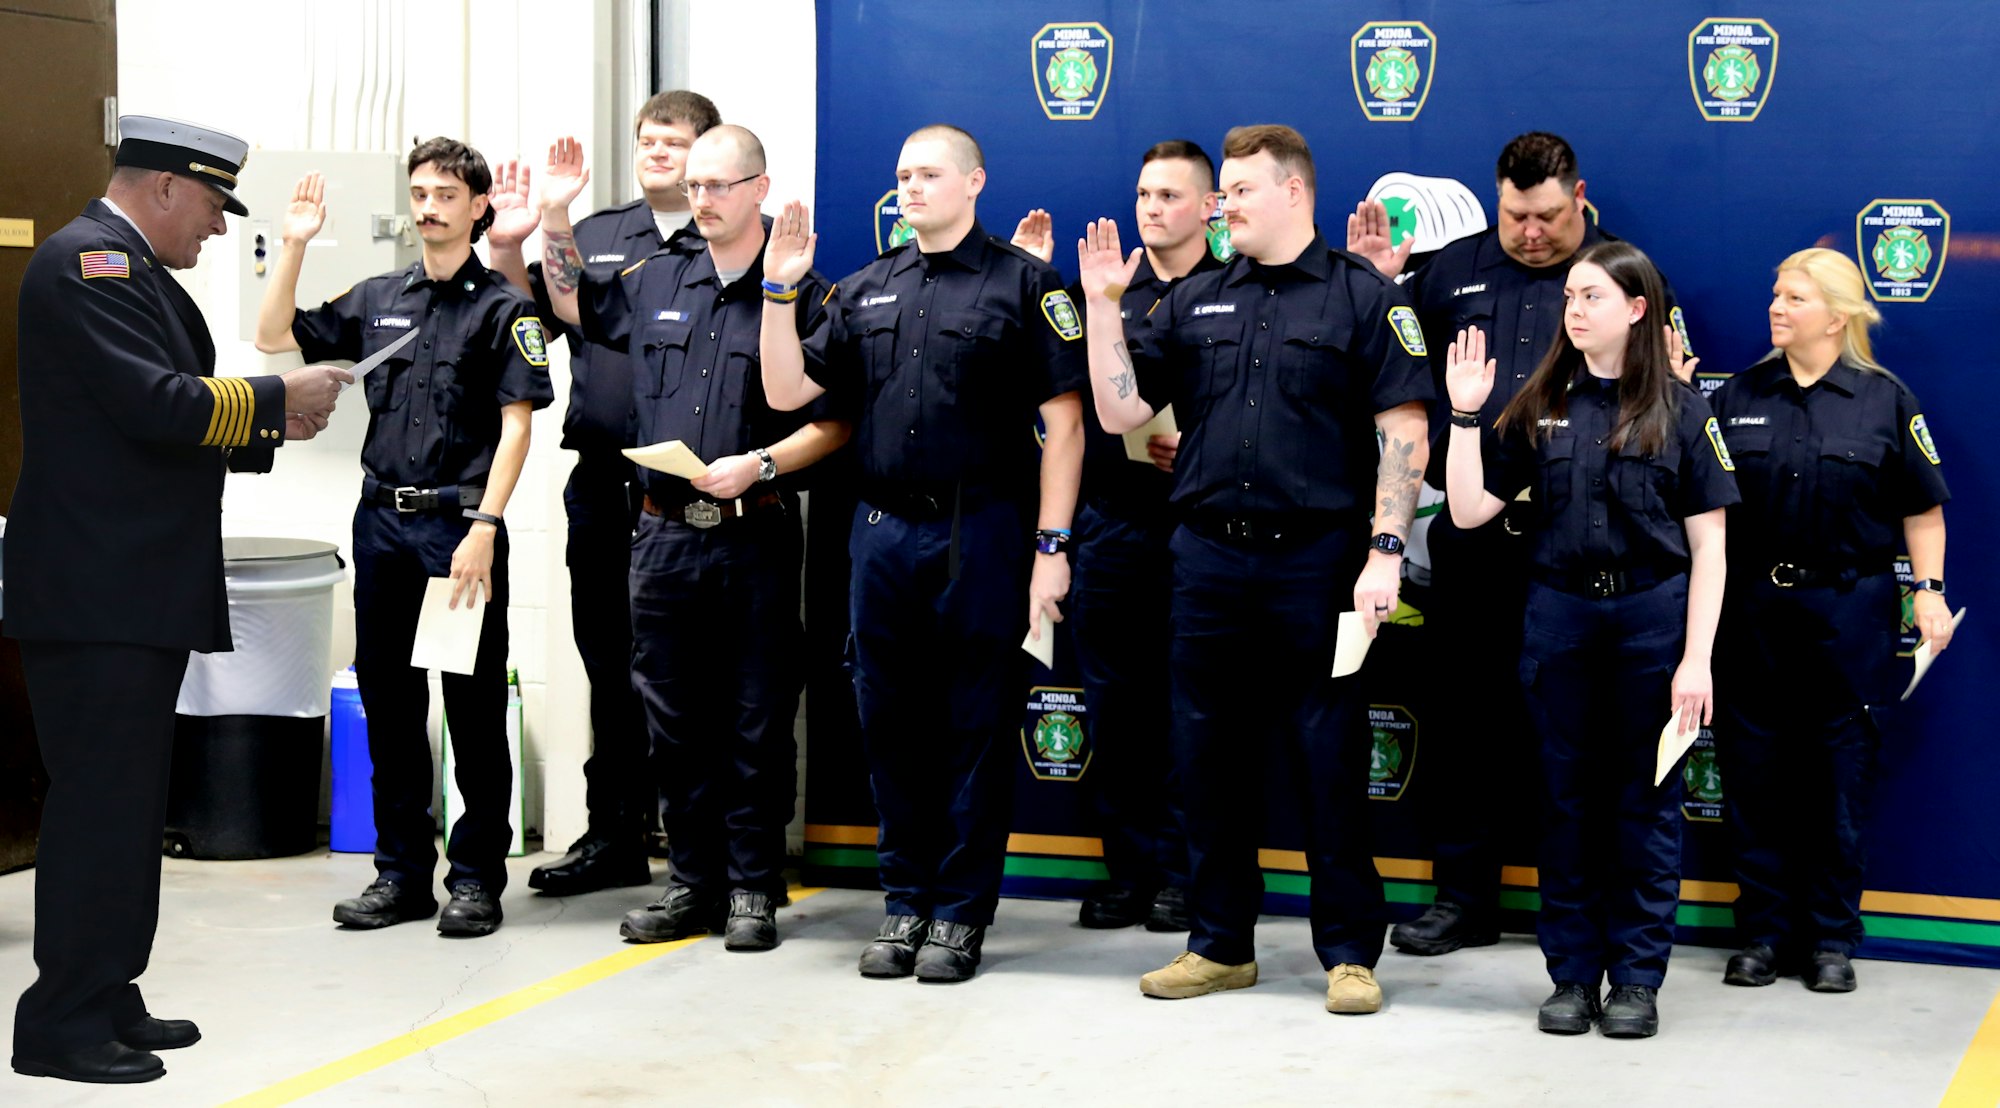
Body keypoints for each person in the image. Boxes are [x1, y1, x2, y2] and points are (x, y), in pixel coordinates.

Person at [7, 115, 348, 1084]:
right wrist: (280, 399)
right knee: (98, 808)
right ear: (162, 187)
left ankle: (108, 989)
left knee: (123, 805)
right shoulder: (88, 265)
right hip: (96, 591)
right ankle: (60, 1022)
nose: (212, 227)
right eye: (208, 205)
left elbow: (177, 406)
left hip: (128, 587)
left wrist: (270, 415)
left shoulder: (133, 268)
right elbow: (158, 405)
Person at [1084, 124, 1432, 1016]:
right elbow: (1120, 405)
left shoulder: (1362, 297)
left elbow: (1404, 428)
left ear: (1293, 193)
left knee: (1328, 755)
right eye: (1222, 191)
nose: (1221, 204)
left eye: (1237, 190)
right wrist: (1099, 305)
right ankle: (1220, 944)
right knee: (1205, 755)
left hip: (1317, 562)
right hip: (1204, 556)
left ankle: (1350, 953)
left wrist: (1385, 549)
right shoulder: (1194, 296)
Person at [1349, 132, 1690, 958]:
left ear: (1580, 198)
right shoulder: (1452, 269)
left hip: (1584, 547)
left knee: (1582, 745)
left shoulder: (1624, 277)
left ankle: (1585, 915)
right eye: (1514, 216)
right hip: (1472, 539)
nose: (1530, 233)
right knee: (1465, 724)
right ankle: (1463, 898)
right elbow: (1392, 381)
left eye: (1546, 216)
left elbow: (1668, 396)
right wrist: (1377, 286)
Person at [760, 123, 1086, 982]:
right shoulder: (865, 288)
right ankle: (904, 905)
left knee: (976, 728)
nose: (911, 187)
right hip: (879, 533)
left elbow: (1064, 428)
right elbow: (788, 391)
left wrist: (1052, 547)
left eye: (929, 173)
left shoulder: (1026, 284)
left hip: (982, 531)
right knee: (888, 725)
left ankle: (959, 915)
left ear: (975, 182)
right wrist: (777, 293)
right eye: (902, 174)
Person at [534, 126, 849, 950]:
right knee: (670, 718)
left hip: (755, 533)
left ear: (759, 189)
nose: (701, 200)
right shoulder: (655, 277)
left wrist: (762, 467)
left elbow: (833, 423)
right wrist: (556, 219)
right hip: (662, 537)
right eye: (695, 186)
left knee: (755, 716)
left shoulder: (804, 293)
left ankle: (751, 888)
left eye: (719, 185)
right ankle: (693, 883)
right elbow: (574, 306)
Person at [255, 138, 554, 939]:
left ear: (477, 207)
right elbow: (272, 333)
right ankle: (401, 876)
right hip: (382, 523)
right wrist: (294, 241)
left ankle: (476, 879)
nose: (429, 206)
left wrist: (486, 526)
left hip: (458, 528)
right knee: (390, 704)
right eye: (419, 192)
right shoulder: (379, 295)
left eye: (447, 194)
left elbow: (517, 427)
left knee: (472, 705)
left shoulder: (504, 309)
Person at [1442, 240, 1737, 1038]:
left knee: (1647, 810)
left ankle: (1636, 981)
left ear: (1637, 310)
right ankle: (1572, 977)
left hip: (1651, 624)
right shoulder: (1540, 400)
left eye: (1592, 296)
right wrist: (1465, 414)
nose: (1573, 309)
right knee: (1566, 808)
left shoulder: (1683, 409)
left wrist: (1696, 659)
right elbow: (1469, 511)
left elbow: (1709, 545)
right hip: (1560, 621)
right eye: (1569, 296)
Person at [486, 89, 723, 897]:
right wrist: (518, 241)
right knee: (607, 663)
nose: (658, 152)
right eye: (647, 140)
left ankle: (708, 847)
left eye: (676, 141)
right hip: (601, 480)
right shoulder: (594, 235)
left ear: (709, 153)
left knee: (696, 671)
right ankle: (616, 835)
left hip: (691, 489)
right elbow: (536, 321)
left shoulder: (720, 238)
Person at [1704, 248, 1952, 994]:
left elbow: (1923, 510)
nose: (1777, 308)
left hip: (1850, 611)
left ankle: (1832, 940)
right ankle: (1762, 937)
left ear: (1837, 317)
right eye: (1776, 294)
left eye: (1796, 298)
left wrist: (1930, 592)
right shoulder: (1739, 394)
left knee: (1839, 781)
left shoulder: (1884, 400)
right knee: (1753, 778)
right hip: (1752, 611)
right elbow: (1705, 510)